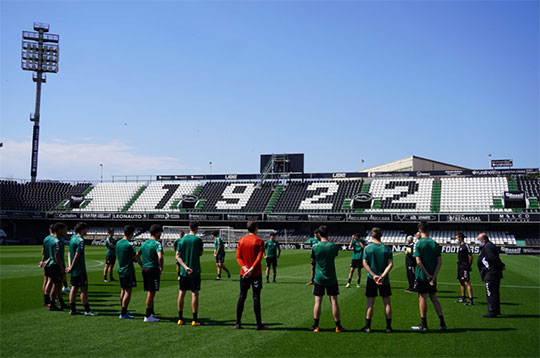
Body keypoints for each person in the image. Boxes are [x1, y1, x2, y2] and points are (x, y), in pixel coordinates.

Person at [411, 222, 446, 331]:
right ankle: (442, 323)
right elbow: (439, 262)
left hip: (422, 276)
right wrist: (433, 276)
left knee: (422, 297)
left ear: (420, 231)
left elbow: (418, 262)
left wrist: (427, 275)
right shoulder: (434, 243)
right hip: (432, 276)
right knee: (434, 298)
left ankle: (424, 324)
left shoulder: (419, 243)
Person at [310, 225, 345, 333]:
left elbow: (313, 260)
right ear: (328, 234)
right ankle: (338, 326)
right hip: (331, 277)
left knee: (318, 302)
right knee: (334, 301)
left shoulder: (315, 247)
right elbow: (334, 255)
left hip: (319, 277)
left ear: (319, 234)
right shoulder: (333, 246)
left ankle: (316, 326)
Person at [234, 221, 268, 330]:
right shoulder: (259, 241)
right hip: (255, 273)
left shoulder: (241, 240)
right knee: (256, 297)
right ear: (256, 228)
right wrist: (252, 269)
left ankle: (238, 323)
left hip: (244, 274)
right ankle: (258, 324)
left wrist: (245, 269)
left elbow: (238, 257)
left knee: (242, 296)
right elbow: (259, 258)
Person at [360, 228, 393, 333]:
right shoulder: (386, 249)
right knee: (387, 303)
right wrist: (382, 276)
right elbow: (390, 264)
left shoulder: (368, 248)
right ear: (381, 236)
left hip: (371, 279)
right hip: (384, 280)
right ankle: (388, 327)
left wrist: (374, 275)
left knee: (370, 303)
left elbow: (365, 263)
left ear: (372, 236)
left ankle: (368, 327)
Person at [176, 221, 204, 326]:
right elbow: (200, 253)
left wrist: (185, 267)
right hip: (195, 270)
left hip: (184, 271)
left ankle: (180, 318)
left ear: (189, 227)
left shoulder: (182, 240)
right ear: (197, 228)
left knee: (181, 293)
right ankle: (194, 320)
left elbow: (177, 256)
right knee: (195, 293)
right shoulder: (198, 240)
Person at [67, 222, 97, 316]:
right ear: (82, 229)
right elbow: (77, 254)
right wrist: (72, 266)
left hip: (74, 269)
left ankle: (72, 309)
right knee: (84, 289)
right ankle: (87, 310)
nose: (87, 231)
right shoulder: (80, 240)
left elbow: (69, 253)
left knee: (74, 288)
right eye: (86, 229)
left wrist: (70, 266)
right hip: (80, 269)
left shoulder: (72, 238)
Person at [137, 224, 164, 322]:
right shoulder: (157, 244)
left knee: (150, 291)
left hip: (145, 269)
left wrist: (142, 264)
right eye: (160, 232)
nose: (160, 234)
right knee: (151, 292)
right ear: (157, 232)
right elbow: (160, 257)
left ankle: (152, 313)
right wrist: (161, 267)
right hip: (153, 269)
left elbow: (136, 256)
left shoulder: (144, 243)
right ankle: (147, 315)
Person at [477, 233, 505, 318]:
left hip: (491, 273)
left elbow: (492, 258)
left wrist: (500, 266)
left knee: (490, 293)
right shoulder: (489, 245)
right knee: (495, 292)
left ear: (483, 239)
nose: (477, 241)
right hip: (493, 272)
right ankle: (496, 310)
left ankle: (492, 312)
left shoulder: (488, 246)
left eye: (478, 239)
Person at [116, 225, 141, 319]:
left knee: (123, 289)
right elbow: (135, 258)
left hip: (120, 269)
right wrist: (143, 265)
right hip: (128, 270)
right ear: (131, 233)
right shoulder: (130, 244)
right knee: (128, 291)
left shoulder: (118, 243)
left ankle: (123, 309)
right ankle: (123, 312)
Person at [45, 222, 69, 311]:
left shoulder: (53, 239)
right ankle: (52, 304)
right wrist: (61, 268)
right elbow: (57, 256)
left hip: (53, 264)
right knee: (56, 285)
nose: (66, 231)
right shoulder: (57, 241)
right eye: (64, 229)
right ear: (59, 230)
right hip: (56, 266)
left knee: (58, 285)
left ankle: (61, 303)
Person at [456, 232, 474, 305]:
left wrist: (469, 266)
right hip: (460, 266)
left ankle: (471, 299)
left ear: (460, 238)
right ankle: (463, 297)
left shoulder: (466, 245)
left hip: (464, 266)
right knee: (461, 281)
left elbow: (470, 256)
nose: (456, 239)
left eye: (457, 238)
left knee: (467, 282)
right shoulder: (460, 246)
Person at [39, 224, 55, 306]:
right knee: (51, 281)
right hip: (51, 262)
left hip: (45, 262)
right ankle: (48, 299)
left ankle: (45, 298)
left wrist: (42, 262)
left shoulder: (46, 238)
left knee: (45, 280)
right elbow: (53, 254)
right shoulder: (54, 239)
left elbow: (43, 252)